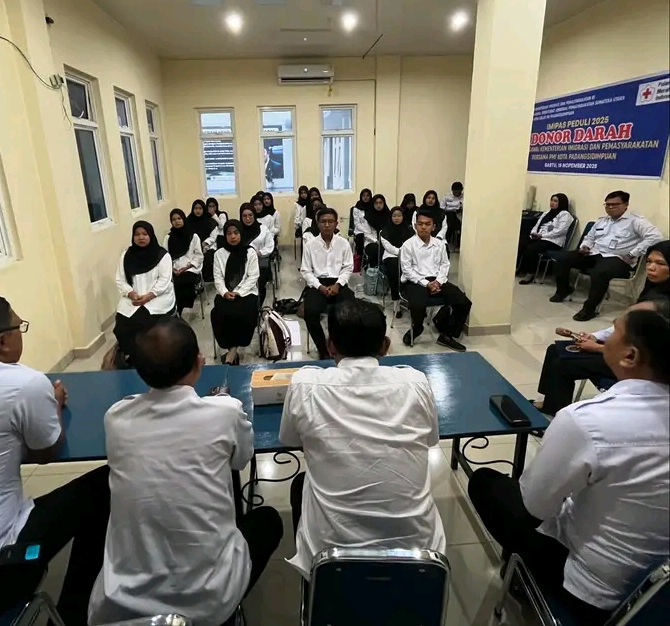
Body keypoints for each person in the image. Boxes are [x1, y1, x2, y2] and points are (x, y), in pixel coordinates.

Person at [468, 302, 670, 625]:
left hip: (594, 590)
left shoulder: (587, 421)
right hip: (658, 595)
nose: (607, 337)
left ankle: (525, 577)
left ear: (629, 356)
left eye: (614, 330)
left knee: (486, 484)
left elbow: (534, 506)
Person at [88, 317, 283, 626]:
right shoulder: (225, 412)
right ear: (199, 361)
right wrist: (221, 405)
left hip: (123, 605)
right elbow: (241, 460)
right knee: (268, 521)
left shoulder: (117, 417)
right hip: (210, 601)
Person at [0, 296, 110, 626]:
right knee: (105, 484)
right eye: (19, 327)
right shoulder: (23, 383)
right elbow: (46, 451)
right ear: (2, 341)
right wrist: (54, 404)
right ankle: (74, 613)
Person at [280, 299, 446, 580]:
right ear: (385, 345)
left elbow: (289, 439)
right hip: (420, 561)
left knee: (302, 484)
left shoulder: (304, 384)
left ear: (330, 346)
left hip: (330, 562)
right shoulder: (416, 382)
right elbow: (430, 441)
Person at [535, 241, 670, 415]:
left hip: (640, 365)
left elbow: (650, 352)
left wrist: (598, 347)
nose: (651, 267)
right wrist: (595, 336)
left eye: (660, 263)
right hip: (624, 347)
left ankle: (556, 411)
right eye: (649, 261)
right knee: (554, 349)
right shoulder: (654, 289)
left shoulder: (663, 304)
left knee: (562, 363)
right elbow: (626, 324)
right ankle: (551, 403)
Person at [550, 191, 663, 321]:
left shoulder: (636, 221)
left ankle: (589, 309)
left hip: (618, 258)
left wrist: (633, 253)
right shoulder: (602, 220)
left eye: (614, 205)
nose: (610, 207)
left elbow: (655, 237)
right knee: (562, 259)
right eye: (607, 205)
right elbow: (590, 237)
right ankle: (563, 290)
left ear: (625, 205)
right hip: (594, 253)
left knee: (599, 272)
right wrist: (585, 246)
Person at [400, 208, 472, 352]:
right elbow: (407, 270)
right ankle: (417, 327)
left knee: (463, 302)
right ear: (415, 226)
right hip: (415, 280)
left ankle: (447, 335)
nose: (423, 227)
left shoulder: (440, 244)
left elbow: (445, 265)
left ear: (433, 227)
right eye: (420, 224)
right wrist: (427, 284)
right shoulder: (408, 245)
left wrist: (438, 281)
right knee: (418, 304)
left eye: (427, 224)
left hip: (437, 280)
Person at [114, 221, 175, 364]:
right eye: (137, 234)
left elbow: (165, 280)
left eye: (144, 234)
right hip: (133, 298)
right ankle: (132, 354)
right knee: (122, 324)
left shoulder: (162, 255)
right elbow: (120, 279)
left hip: (157, 298)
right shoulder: (126, 255)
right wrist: (131, 293)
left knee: (143, 321)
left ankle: (149, 356)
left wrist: (149, 296)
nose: (141, 237)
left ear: (151, 235)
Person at [300, 207, 354, 359]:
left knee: (350, 311)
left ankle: (340, 346)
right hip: (318, 284)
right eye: (323, 221)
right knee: (310, 312)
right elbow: (305, 271)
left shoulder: (343, 243)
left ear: (336, 223)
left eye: (330, 221)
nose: (327, 225)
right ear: (318, 224)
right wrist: (320, 287)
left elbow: (348, 267)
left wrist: (338, 284)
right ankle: (323, 350)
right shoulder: (310, 245)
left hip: (338, 283)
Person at [211, 220, 260, 365]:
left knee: (242, 312)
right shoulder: (219, 254)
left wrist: (238, 292)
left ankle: (231, 354)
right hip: (224, 293)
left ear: (241, 234)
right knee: (219, 314)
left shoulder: (250, 252)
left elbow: (253, 277)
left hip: (247, 293)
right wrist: (225, 292)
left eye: (236, 233)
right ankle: (231, 351)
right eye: (229, 233)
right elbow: (218, 278)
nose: (233, 237)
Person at [517, 193, 573, 284]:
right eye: (551, 200)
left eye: (555, 201)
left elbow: (560, 231)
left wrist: (543, 236)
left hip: (553, 241)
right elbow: (537, 225)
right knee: (521, 242)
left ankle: (530, 273)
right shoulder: (547, 213)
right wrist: (533, 233)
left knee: (531, 248)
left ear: (561, 203)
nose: (552, 203)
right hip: (540, 237)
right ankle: (518, 269)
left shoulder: (565, 215)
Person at [163, 209, 203, 316]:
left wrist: (186, 267)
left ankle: (181, 309)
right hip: (174, 268)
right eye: (174, 219)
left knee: (184, 281)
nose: (177, 221)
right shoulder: (168, 238)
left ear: (184, 219)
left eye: (179, 218)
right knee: (170, 284)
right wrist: (172, 269)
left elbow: (199, 256)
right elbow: (165, 257)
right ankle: (175, 310)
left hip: (190, 268)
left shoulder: (193, 236)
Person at [380, 206, 415, 317]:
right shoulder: (385, 231)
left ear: (403, 217)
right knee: (394, 269)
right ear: (390, 217)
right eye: (394, 216)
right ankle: (396, 304)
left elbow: (412, 244)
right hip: (391, 256)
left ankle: (411, 299)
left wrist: (405, 254)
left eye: (399, 215)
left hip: (407, 256)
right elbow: (388, 247)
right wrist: (401, 252)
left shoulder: (409, 230)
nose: (397, 218)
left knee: (414, 269)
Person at [240, 203, 275, 307]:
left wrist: (258, 253)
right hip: (242, 265)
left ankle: (257, 307)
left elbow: (270, 245)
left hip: (260, 263)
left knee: (258, 285)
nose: (248, 218)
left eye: (250, 215)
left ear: (254, 215)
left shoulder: (263, 229)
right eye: (244, 216)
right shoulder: (238, 231)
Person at [187, 200, 218, 282]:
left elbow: (213, 236)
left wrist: (205, 243)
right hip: (192, 247)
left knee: (209, 256)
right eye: (196, 208)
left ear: (204, 209)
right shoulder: (188, 221)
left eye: (200, 208)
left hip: (207, 246)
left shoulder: (210, 221)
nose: (198, 211)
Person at [359, 194, 391, 266]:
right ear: (373, 204)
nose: (378, 205)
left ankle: (384, 268)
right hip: (371, 241)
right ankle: (374, 268)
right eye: (376, 203)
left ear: (384, 203)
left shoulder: (389, 216)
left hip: (386, 241)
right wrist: (376, 241)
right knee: (375, 249)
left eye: (380, 203)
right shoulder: (368, 217)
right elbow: (367, 233)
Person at [351, 188, 373, 260]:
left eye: (367, 195)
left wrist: (370, 231)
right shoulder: (356, 208)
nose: (366, 197)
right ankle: (360, 259)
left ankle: (371, 260)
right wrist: (365, 231)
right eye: (364, 196)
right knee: (360, 238)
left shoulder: (373, 207)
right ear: (361, 197)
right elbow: (357, 223)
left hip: (371, 230)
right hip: (360, 231)